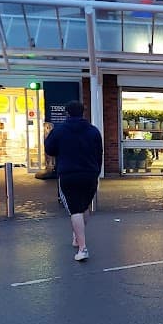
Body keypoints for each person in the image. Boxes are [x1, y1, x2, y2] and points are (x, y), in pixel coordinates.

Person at [44, 100, 103, 262]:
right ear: (83, 112)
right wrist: (96, 171)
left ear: (67, 113)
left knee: (75, 210)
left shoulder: (60, 130)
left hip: (68, 174)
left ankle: (82, 248)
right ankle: (78, 237)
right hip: (90, 174)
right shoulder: (93, 131)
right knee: (84, 206)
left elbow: (49, 149)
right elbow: (99, 153)